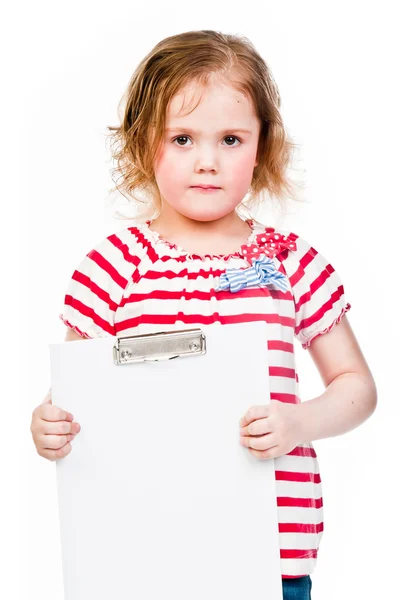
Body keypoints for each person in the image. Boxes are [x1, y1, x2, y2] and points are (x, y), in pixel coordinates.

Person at [30, 29, 377, 600]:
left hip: (271, 559)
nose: (208, 162)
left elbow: (356, 386)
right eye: (183, 138)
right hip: (142, 555)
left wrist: (298, 424)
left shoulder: (291, 262)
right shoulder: (113, 267)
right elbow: (73, 393)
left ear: (262, 146)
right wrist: (48, 423)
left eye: (232, 139)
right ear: (145, 143)